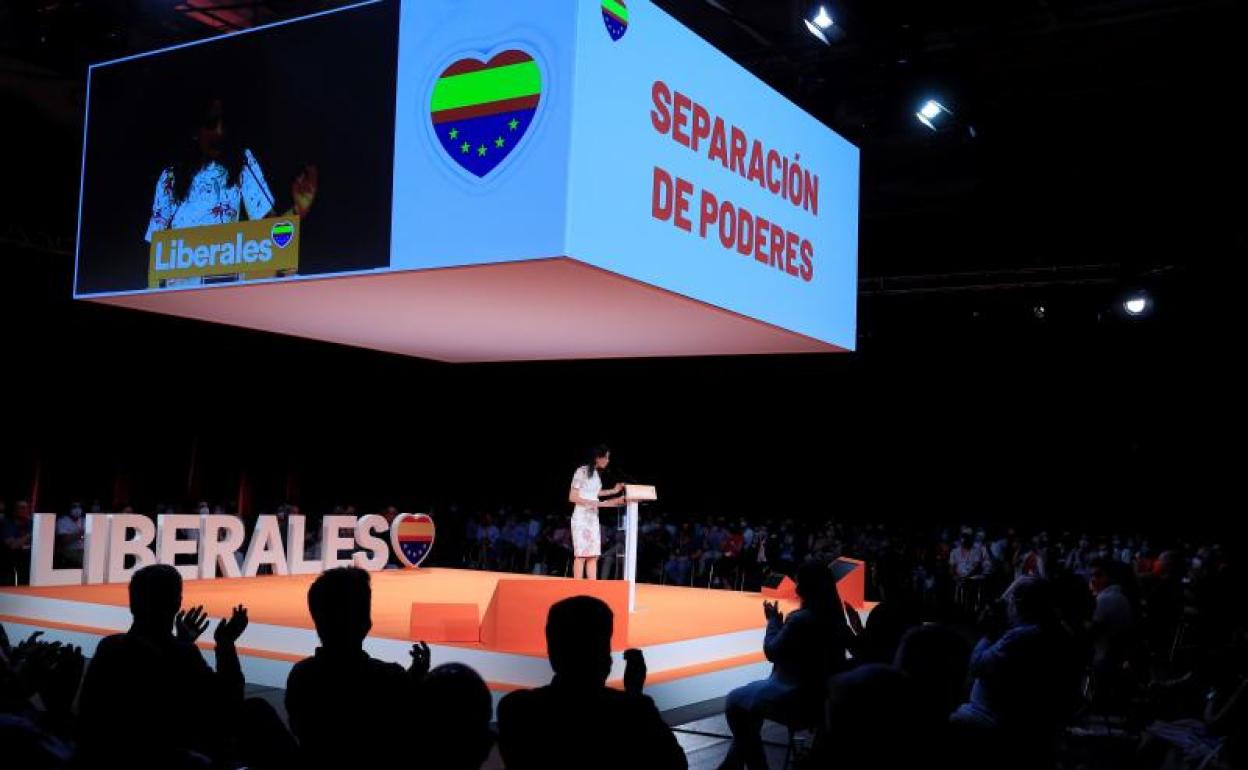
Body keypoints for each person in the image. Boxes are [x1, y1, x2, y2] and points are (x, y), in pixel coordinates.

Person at [76, 564, 249, 769]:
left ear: (132, 605)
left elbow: (90, 713)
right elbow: (230, 701)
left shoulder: (109, 648)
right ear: (177, 603)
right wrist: (225, 643)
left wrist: (182, 642)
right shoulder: (183, 655)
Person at [144, 96, 318, 287]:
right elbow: (154, 254)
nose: (219, 131)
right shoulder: (170, 177)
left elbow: (270, 236)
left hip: (225, 291)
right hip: (179, 297)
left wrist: (297, 212)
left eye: (224, 125)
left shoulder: (242, 163)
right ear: (195, 130)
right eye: (211, 124)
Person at [497, 595, 686, 770]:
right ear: (605, 657)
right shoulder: (636, 711)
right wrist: (634, 694)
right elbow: (674, 764)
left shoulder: (516, 709)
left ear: (552, 650)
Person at [285, 567, 430, 769]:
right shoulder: (391, 679)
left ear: (317, 621)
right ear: (367, 623)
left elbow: (300, 728)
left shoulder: (301, 675)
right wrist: (413, 681)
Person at [717, 562, 854, 770]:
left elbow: (772, 651)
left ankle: (756, 766)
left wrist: (772, 622)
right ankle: (731, 763)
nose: (797, 589)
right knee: (750, 706)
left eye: (800, 584)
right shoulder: (837, 620)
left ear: (807, 588)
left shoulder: (800, 619)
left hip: (795, 698)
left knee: (735, 702)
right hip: (823, 699)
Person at [567, 444, 624, 580]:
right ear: (598, 458)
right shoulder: (581, 471)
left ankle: (592, 589)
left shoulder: (596, 475)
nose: (608, 461)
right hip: (581, 518)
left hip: (593, 518)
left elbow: (594, 493)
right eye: (606, 457)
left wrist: (614, 491)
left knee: (593, 555)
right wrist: (597, 504)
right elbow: (573, 496)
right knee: (581, 555)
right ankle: (577, 588)